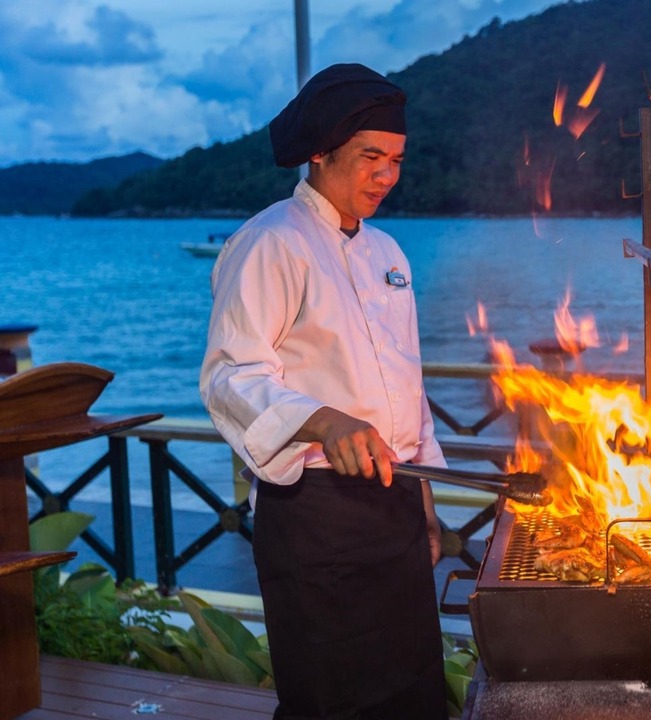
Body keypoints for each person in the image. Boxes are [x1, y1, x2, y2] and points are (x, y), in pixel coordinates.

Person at [199, 63, 447, 719]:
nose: (386, 176)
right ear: (319, 151)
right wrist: (321, 421)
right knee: (332, 699)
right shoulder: (270, 242)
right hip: (316, 514)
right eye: (371, 157)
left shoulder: (390, 253)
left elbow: (409, 386)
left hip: (394, 502)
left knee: (414, 693)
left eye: (396, 159)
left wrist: (426, 503)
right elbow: (231, 374)